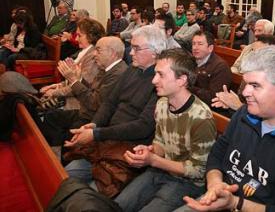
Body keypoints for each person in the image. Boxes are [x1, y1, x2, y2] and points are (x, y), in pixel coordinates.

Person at [183, 45, 275, 211]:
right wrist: (215, 184)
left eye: (255, 85)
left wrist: (235, 203)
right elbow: (217, 154)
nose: (245, 92)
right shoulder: (244, 114)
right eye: (246, 84)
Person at [63, 25, 167, 196]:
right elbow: (109, 102)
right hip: (108, 139)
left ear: (155, 52)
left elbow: (143, 127)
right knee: (67, 177)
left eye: (136, 48)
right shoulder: (132, 69)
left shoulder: (162, 80)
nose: (130, 53)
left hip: (130, 148)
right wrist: (94, 124)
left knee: (89, 196)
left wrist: (97, 133)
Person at [115, 48, 217, 211]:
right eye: (155, 73)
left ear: (181, 80)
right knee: (118, 205)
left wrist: (154, 160)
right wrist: (149, 151)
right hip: (161, 170)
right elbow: (160, 141)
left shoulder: (201, 118)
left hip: (187, 183)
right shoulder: (162, 103)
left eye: (161, 75)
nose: (154, 80)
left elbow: (199, 171)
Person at [39, 36, 128, 146]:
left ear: (112, 53)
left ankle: (56, 157)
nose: (94, 54)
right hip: (86, 112)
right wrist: (78, 79)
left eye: (98, 50)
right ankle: (49, 151)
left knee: (66, 134)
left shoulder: (117, 74)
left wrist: (73, 81)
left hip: (93, 119)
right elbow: (91, 89)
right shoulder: (107, 67)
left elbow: (94, 104)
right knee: (51, 117)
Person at [40, 18, 105, 109]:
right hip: (70, 97)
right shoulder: (85, 51)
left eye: (79, 35)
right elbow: (74, 80)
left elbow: (81, 86)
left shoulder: (93, 57)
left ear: (91, 36)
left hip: (78, 105)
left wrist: (54, 92)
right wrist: (56, 86)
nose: (76, 38)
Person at [191, 31, 232, 106]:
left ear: (210, 48)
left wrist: (187, 87)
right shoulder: (190, 60)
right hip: (193, 102)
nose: (195, 48)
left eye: (200, 44)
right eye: (193, 44)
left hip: (209, 108)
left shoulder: (221, 67)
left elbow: (214, 97)